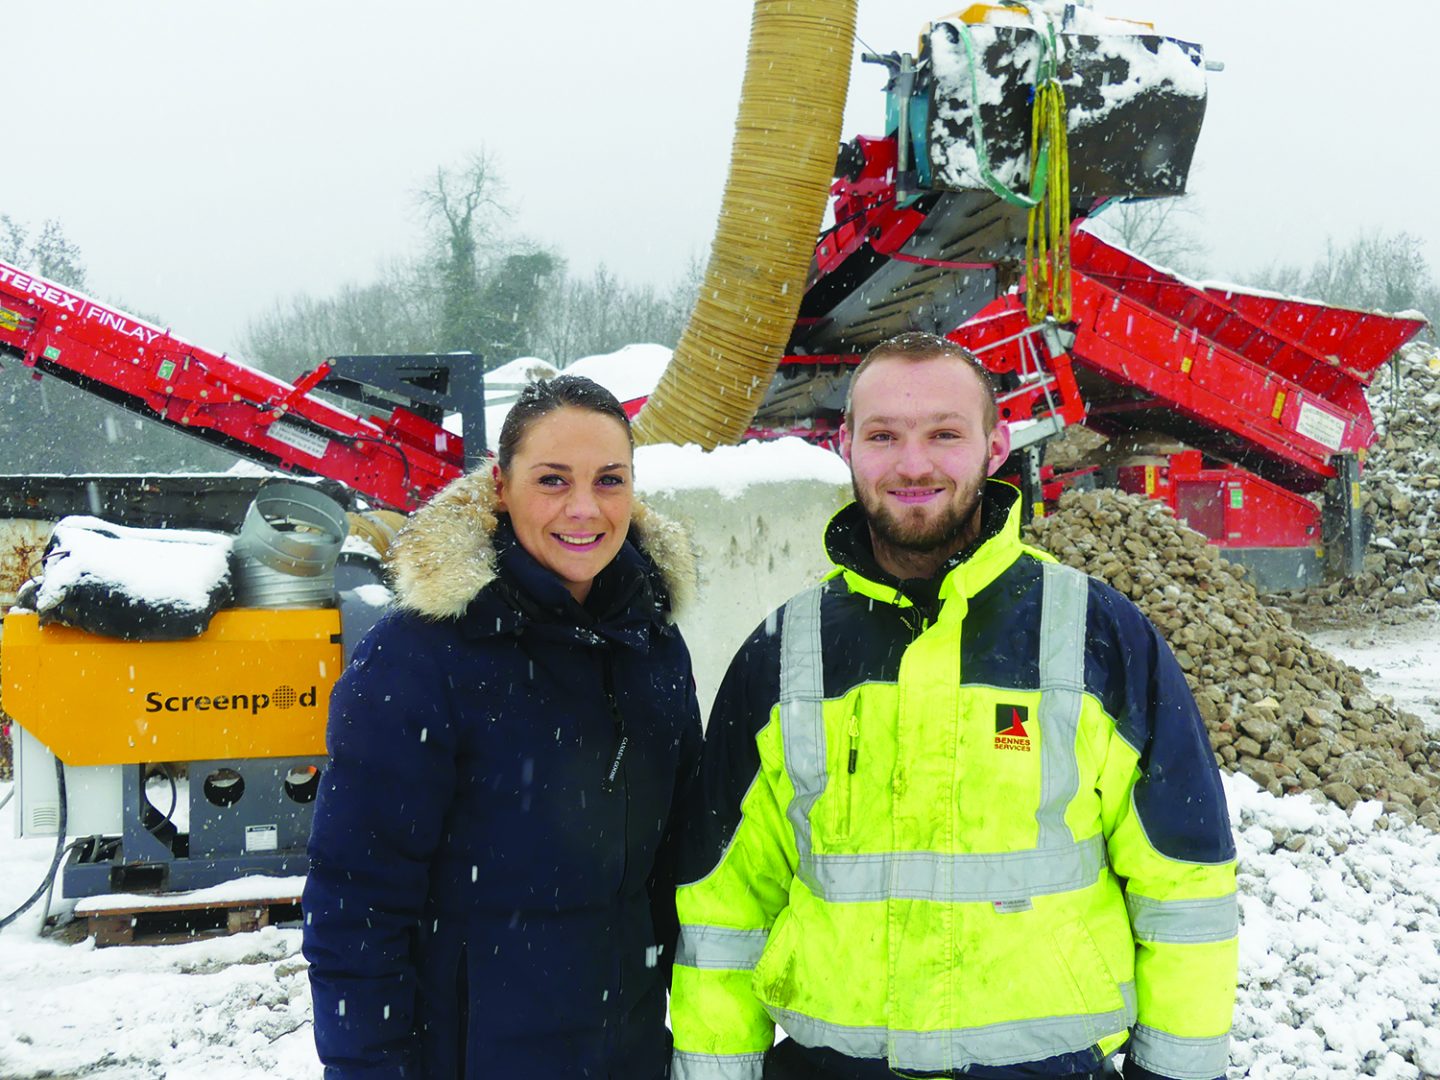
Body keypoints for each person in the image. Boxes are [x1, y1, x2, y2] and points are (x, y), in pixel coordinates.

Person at [669, 332, 1238, 1080]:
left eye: (944, 434)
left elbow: (1184, 886)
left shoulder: (1097, 634)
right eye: (883, 436)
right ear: (845, 446)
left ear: (995, 446)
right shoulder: (783, 653)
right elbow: (725, 910)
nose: (913, 465)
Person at [303, 375, 703, 1079]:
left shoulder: (652, 644)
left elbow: (678, 870)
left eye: (609, 480)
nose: (584, 508)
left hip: (629, 1054)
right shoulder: (420, 655)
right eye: (552, 480)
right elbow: (357, 904)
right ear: (500, 486)